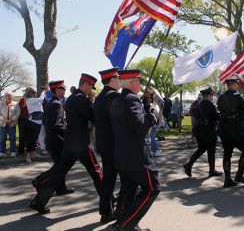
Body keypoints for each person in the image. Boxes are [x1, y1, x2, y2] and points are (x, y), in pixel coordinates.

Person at [29, 73, 102, 215]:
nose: (91, 90)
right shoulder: (81, 99)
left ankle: (39, 201)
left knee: (59, 173)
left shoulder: (72, 98)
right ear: (85, 84)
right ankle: (107, 198)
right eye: (91, 87)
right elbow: (92, 116)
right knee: (96, 170)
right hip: (80, 142)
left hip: (70, 143)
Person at [110, 69, 159, 230]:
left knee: (129, 190)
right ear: (133, 83)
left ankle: (123, 220)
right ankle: (126, 225)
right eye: (139, 81)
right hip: (137, 156)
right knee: (152, 188)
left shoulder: (119, 99)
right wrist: (153, 113)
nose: (140, 85)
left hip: (123, 155)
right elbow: (141, 126)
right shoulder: (131, 100)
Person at [31, 81, 74, 196]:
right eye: (63, 89)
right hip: (57, 141)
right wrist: (68, 132)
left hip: (53, 140)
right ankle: (39, 181)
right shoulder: (56, 104)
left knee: (59, 165)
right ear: (57, 90)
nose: (65, 91)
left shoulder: (51, 102)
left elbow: (46, 121)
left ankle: (61, 188)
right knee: (60, 167)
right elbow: (57, 125)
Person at [94, 68, 122, 224]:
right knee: (125, 178)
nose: (120, 81)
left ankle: (106, 212)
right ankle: (121, 212)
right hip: (114, 144)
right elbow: (118, 120)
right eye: (118, 78)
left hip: (105, 143)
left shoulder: (100, 97)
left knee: (108, 180)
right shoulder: (112, 96)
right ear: (112, 80)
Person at [184, 87, 223, 178]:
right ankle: (211, 170)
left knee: (201, 149)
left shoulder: (197, 106)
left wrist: (194, 134)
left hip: (199, 131)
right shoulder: (211, 106)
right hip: (209, 131)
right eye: (211, 95)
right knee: (211, 151)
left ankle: (189, 164)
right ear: (208, 96)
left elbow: (195, 120)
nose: (212, 97)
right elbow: (217, 118)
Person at [217, 75, 244, 187]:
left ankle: (227, 179)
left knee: (227, 154)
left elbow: (220, 109)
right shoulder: (238, 97)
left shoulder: (221, 97)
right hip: (236, 129)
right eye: (237, 84)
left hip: (225, 128)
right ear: (234, 84)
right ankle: (239, 175)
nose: (238, 86)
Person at [25, 87, 46, 164]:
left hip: (39, 121)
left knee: (34, 138)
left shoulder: (34, 100)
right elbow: (41, 99)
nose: (35, 93)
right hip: (32, 121)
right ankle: (28, 154)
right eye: (34, 92)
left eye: (35, 92)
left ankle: (33, 153)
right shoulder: (29, 100)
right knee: (30, 138)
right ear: (30, 93)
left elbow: (41, 103)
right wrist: (43, 92)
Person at [0, 92, 20, 158]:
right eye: (8, 96)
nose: (9, 97)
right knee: (3, 138)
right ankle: (2, 152)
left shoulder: (16, 103)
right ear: (5, 96)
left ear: (12, 96)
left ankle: (13, 151)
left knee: (12, 138)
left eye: (10, 96)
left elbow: (18, 113)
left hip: (12, 123)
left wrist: (12, 120)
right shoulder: (1, 103)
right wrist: (4, 119)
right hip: (3, 124)